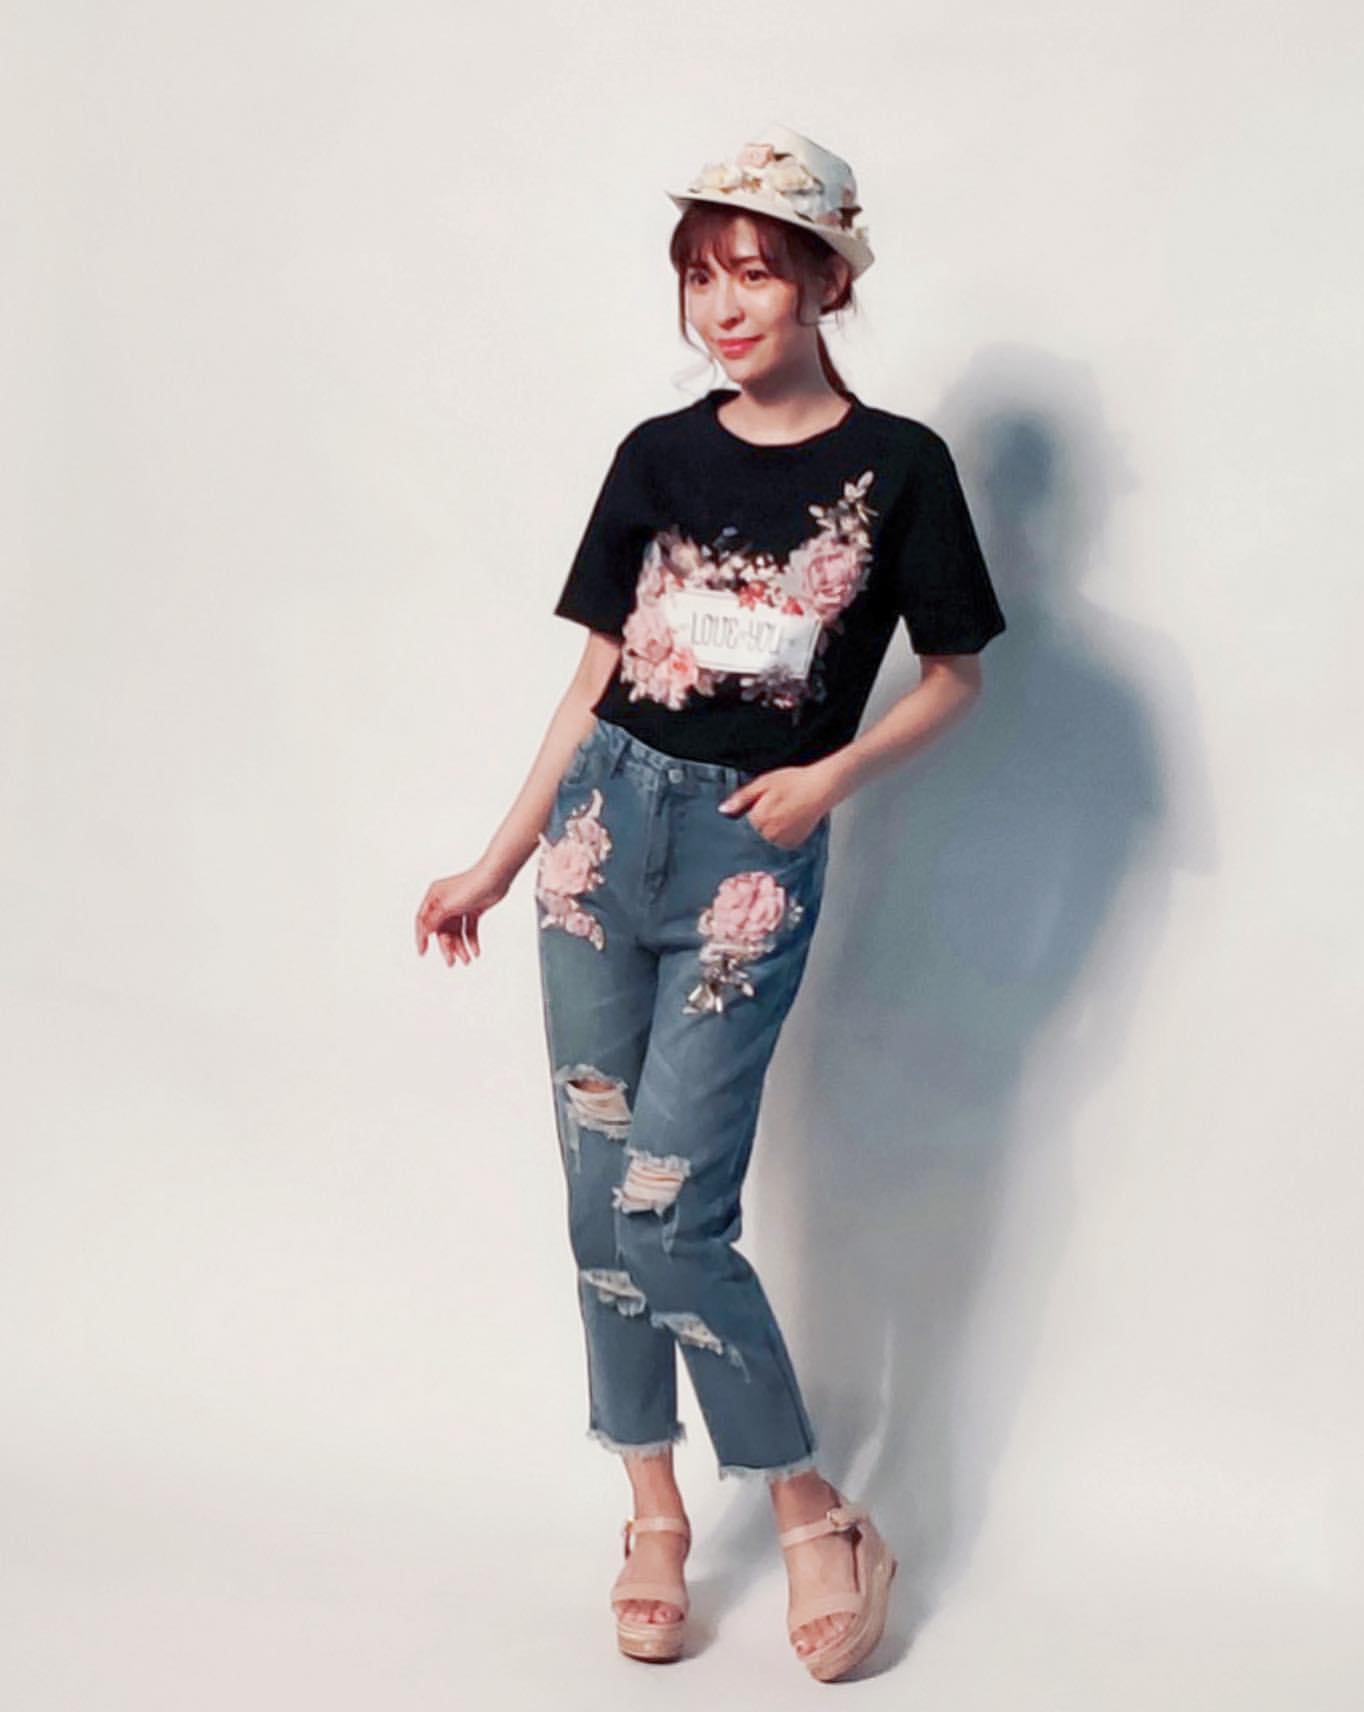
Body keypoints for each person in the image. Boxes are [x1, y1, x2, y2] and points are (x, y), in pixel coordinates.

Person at [414, 121, 1006, 1681]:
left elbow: (957, 676)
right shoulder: (656, 457)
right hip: (599, 840)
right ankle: (654, 1514)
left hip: (751, 849)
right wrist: (498, 859)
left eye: (754, 273)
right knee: (598, 1197)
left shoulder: (900, 470)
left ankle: (812, 1510)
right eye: (699, 277)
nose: (723, 306)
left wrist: (830, 780)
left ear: (826, 282)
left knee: (670, 1208)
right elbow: (594, 681)